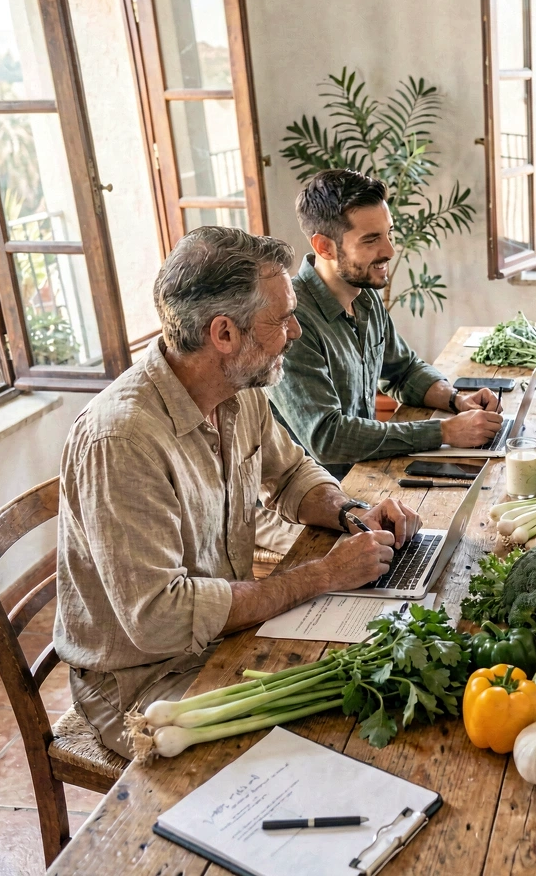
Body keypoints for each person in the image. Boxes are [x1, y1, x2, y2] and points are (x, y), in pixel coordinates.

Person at [53, 226, 422, 759]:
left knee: (372, 675)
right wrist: (322, 575)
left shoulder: (238, 387)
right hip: (142, 683)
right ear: (224, 333)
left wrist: (350, 512)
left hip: (222, 635)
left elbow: (292, 474)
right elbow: (159, 617)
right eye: (282, 319)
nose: (295, 331)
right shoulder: (121, 441)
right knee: (329, 744)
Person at [267, 168, 504, 480]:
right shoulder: (290, 322)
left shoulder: (364, 295)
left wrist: (456, 399)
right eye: (371, 240)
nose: (390, 251)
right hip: (314, 496)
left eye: (388, 233)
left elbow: (403, 371)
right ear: (324, 246)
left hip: (365, 473)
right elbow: (327, 437)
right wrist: (444, 431)